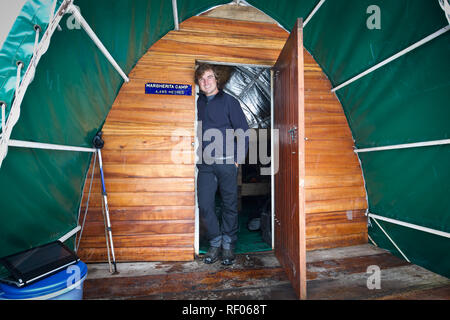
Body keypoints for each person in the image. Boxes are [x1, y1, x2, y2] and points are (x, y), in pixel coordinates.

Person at [195, 64, 249, 265]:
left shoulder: (229, 102)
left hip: (227, 163)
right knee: (206, 205)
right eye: (202, 79)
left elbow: (243, 130)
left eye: (209, 77)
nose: (206, 82)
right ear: (199, 83)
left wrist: (238, 160)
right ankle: (215, 242)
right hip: (206, 164)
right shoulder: (197, 103)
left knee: (229, 205)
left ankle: (228, 246)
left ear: (216, 79)